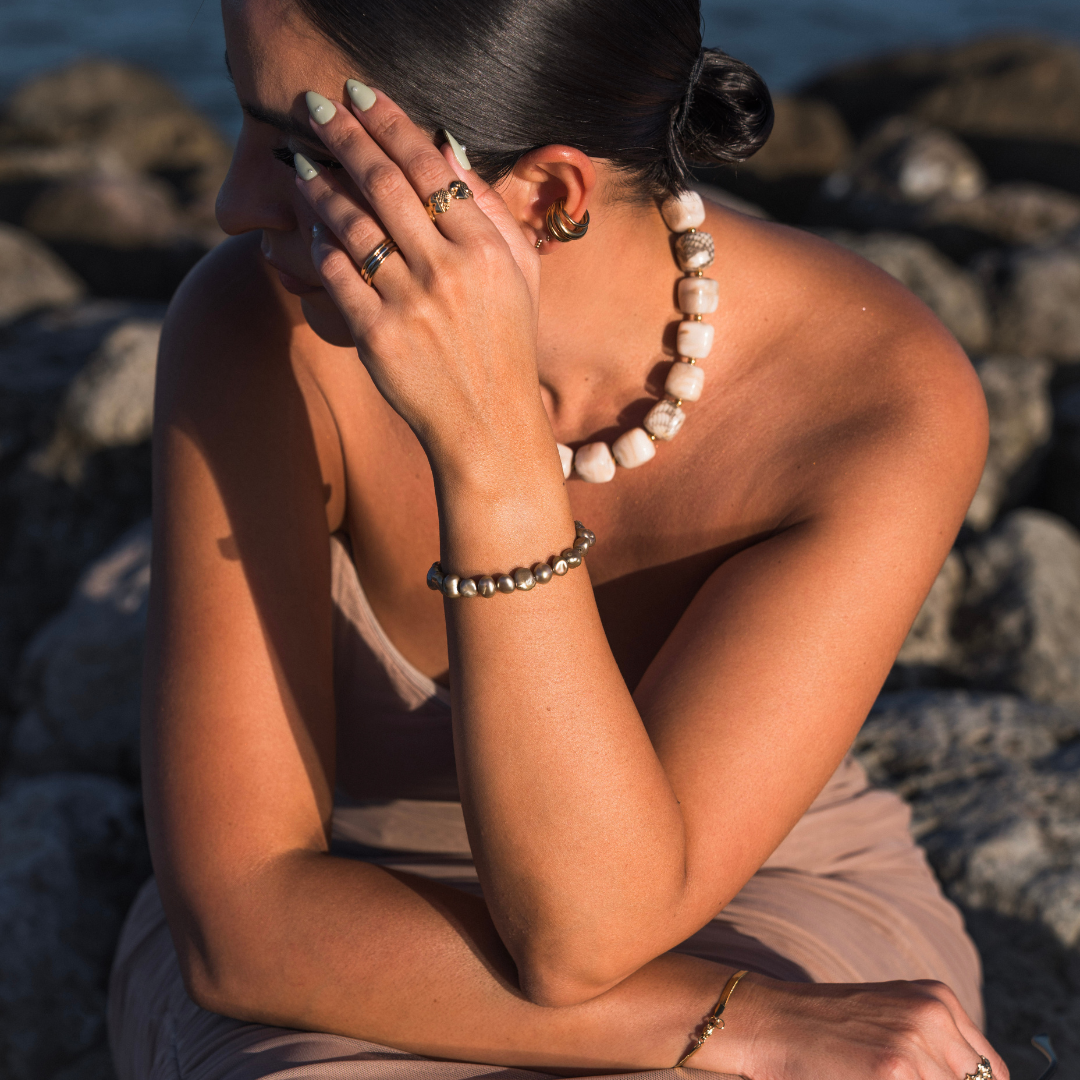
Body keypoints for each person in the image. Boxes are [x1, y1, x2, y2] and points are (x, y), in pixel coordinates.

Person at [107, 0, 1005, 1077]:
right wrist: (748, 1027)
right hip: (341, 920)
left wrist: (490, 458)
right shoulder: (261, 329)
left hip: (737, 889)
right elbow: (244, 923)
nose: (233, 204)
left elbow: (586, 933)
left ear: (545, 195)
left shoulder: (868, 393)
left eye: (304, 152)